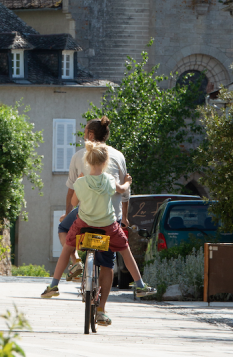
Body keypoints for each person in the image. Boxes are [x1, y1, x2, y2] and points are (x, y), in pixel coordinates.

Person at [41, 124, 154, 323]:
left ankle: (54, 284)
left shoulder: (81, 178)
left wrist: (79, 191)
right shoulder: (110, 177)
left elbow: (74, 201)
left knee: (68, 245)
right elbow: (123, 191)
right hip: (109, 225)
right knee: (122, 251)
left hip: (84, 222)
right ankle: (139, 285)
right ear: (106, 161)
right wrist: (127, 182)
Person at [56, 117, 130, 326]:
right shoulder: (118, 156)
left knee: (64, 229)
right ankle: (102, 310)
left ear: (90, 135)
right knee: (108, 264)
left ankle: (76, 262)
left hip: (85, 215)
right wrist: (124, 217)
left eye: (84, 132)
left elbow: (72, 188)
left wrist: (66, 212)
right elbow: (125, 191)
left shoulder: (80, 155)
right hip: (110, 218)